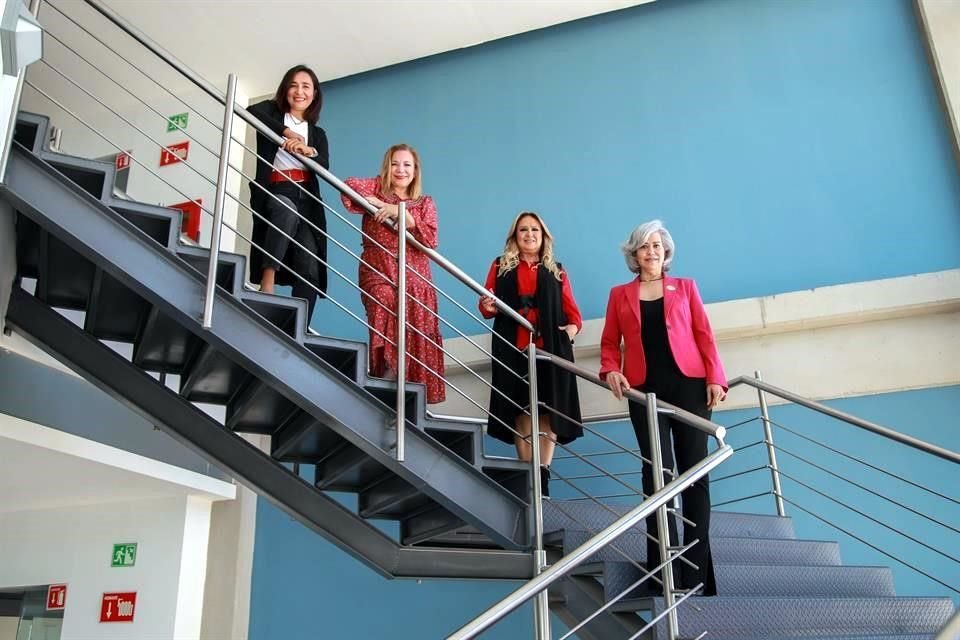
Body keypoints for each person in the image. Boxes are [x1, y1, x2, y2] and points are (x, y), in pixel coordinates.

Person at [599, 219, 727, 596]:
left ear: (665, 251)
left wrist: (715, 378)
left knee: (694, 475)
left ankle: (696, 574)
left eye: (657, 245)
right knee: (657, 476)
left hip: (689, 386)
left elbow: (704, 334)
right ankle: (663, 569)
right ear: (634, 254)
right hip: (643, 391)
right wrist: (610, 370)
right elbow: (609, 343)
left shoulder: (685, 288)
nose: (652, 251)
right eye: (644, 246)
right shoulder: (620, 294)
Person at [480, 211, 583, 498]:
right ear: (515, 236)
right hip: (513, 347)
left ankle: (543, 475)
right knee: (522, 410)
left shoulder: (556, 269)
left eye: (535, 230)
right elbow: (487, 304)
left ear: (543, 235)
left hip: (549, 349)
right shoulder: (500, 266)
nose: (529, 235)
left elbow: (573, 313)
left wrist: (570, 331)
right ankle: (528, 474)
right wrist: (488, 305)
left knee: (547, 411)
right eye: (523, 230)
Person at [340, 144, 446, 404]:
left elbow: (431, 238)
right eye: (394, 164)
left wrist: (403, 213)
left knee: (414, 332)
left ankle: (408, 400)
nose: (400, 170)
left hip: (415, 279)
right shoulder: (374, 192)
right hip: (378, 270)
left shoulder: (424, 203)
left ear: (415, 171)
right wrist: (377, 201)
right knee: (385, 303)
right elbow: (348, 186)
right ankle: (387, 378)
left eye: (407, 165)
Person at [248, 64, 329, 324]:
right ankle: (267, 280)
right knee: (285, 210)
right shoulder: (272, 113)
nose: (299, 91)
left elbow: (324, 163)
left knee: (310, 265)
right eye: (293, 85)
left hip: (306, 196)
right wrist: (286, 133)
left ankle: (298, 330)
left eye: (306, 86)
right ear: (285, 89)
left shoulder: (317, 133)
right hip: (275, 188)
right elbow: (251, 111)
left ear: (314, 94)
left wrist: (308, 151)